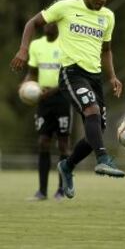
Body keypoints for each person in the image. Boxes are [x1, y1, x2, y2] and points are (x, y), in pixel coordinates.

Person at [10, 0, 125, 200]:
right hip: (71, 73)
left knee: (96, 132)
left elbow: (107, 50)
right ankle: (103, 159)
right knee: (90, 110)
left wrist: (112, 77)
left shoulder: (108, 17)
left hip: (94, 77)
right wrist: (23, 49)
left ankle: (67, 166)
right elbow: (32, 22)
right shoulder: (65, 7)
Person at [24, 23, 72, 201]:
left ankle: (61, 190)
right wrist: (26, 86)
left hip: (62, 100)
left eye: (52, 22)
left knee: (63, 145)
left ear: (58, 26)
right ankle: (42, 191)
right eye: (45, 22)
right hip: (43, 101)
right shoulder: (36, 45)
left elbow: (69, 77)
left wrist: (49, 92)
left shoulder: (66, 46)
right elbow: (32, 72)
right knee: (43, 142)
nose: (47, 25)